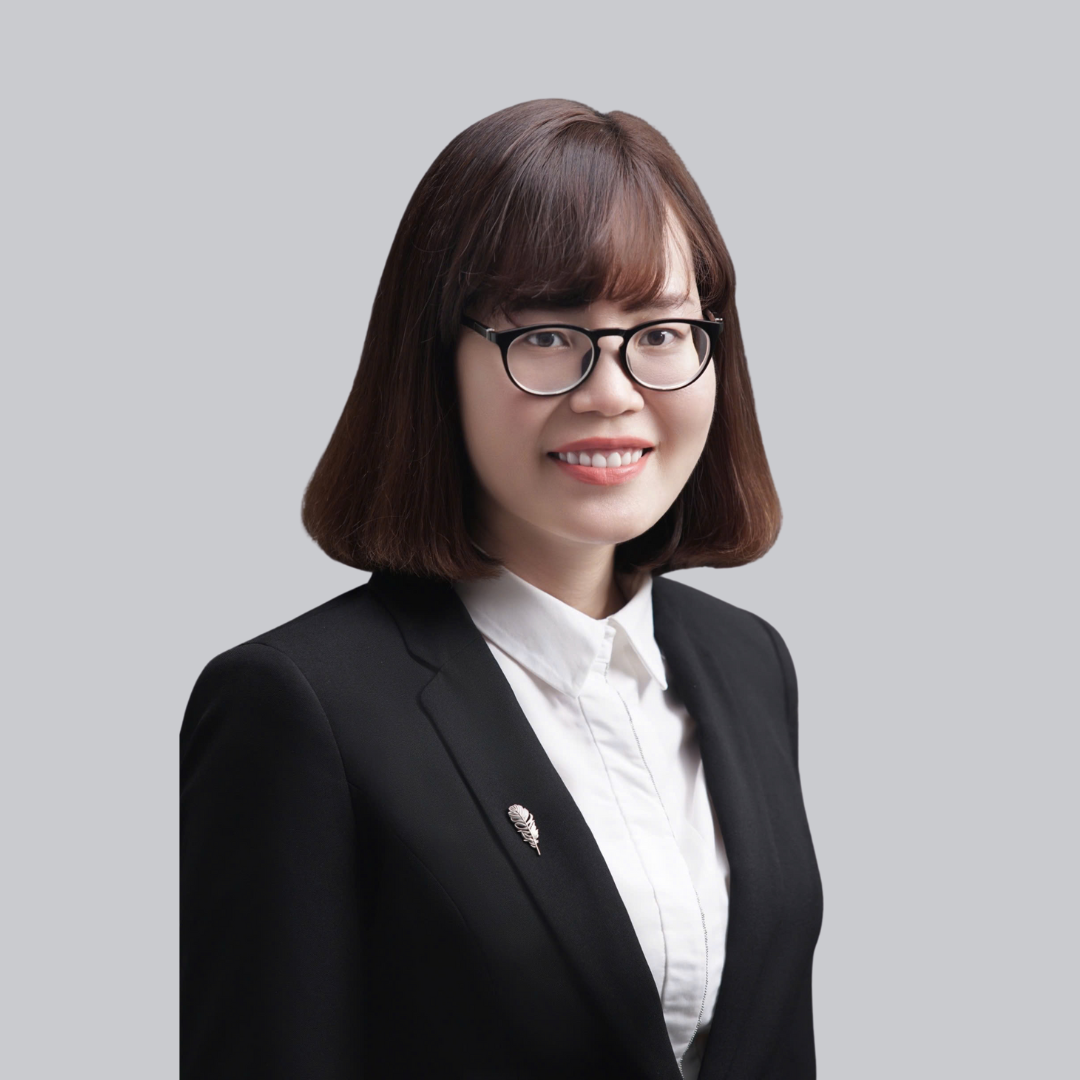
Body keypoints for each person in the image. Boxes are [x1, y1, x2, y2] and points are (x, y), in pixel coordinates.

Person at [180, 99, 823, 1080]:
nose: (613, 392)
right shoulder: (298, 707)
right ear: (435, 362)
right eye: (550, 335)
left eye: (659, 331)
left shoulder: (748, 664)